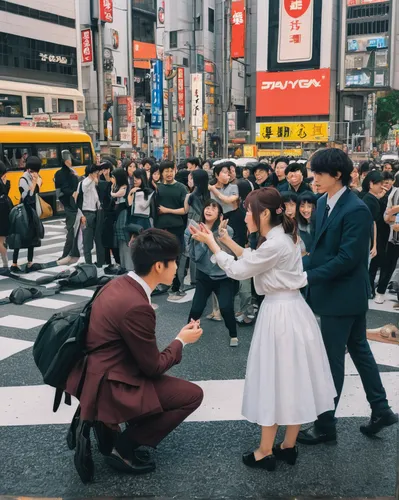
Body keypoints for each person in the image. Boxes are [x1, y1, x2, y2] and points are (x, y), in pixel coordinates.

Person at [189, 187, 336, 470]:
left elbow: (239, 270)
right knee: (294, 380)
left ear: (264, 213)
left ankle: (264, 451)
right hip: (295, 312)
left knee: (274, 380)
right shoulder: (284, 237)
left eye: (248, 210)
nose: (245, 216)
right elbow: (253, 257)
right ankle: (288, 446)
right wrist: (226, 241)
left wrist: (213, 244)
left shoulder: (275, 244)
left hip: (279, 315)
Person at [66, 228, 204, 474]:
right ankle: (124, 447)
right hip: (112, 383)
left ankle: (107, 424)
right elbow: (153, 367)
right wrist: (181, 340)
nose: (177, 267)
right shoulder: (138, 306)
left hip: (93, 373)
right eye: (174, 261)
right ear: (159, 266)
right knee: (192, 395)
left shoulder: (116, 283)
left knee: (164, 388)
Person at [297, 148, 397, 446]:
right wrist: (297, 267)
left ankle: (326, 425)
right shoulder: (321, 202)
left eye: (317, 173)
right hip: (338, 292)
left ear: (337, 175)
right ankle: (381, 409)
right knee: (359, 349)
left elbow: (347, 258)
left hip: (343, 295)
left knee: (331, 361)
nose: (312, 178)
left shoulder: (356, 209)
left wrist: (307, 276)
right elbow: (318, 250)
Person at [186, 200, 238, 346]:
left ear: (220, 215)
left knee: (226, 307)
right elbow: (195, 257)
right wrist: (199, 240)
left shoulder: (227, 230)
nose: (208, 210)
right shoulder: (194, 228)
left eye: (213, 208)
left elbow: (228, 253)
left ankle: (233, 334)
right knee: (196, 307)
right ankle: (188, 332)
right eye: (207, 207)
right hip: (204, 275)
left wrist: (216, 236)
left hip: (223, 277)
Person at [155, 161, 188, 299]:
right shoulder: (157, 187)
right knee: (161, 256)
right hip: (160, 228)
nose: (169, 173)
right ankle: (162, 282)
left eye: (171, 170)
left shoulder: (181, 188)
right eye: (166, 171)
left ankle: (176, 283)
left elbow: (185, 209)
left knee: (176, 257)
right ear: (161, 173)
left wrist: (167, 210)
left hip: (177, 228)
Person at [11, 156, 43, 272]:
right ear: (29, 169)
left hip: (32, 211)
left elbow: (37, 191)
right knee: (19, 236)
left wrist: (37, 181)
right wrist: (34, 182)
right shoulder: (23, 179)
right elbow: (27, 197)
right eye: (34, 171)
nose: (36, 173)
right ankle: (14, 263)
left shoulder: (36, 176)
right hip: (24, 212)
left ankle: (30, 262)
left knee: (32, 236)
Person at [55, 150, 80, 266]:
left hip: (68, 203)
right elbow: (66, 189)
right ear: (66, 161)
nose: (71, 161)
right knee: (72, 230)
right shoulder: (68, 173)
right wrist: (74, 192)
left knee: (73, 229)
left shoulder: (61, 173)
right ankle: (67, 254)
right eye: (70, 159)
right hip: (71, 203)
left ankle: (69, 253)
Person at [296, 192, 316, 256]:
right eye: (302, 206)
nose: (306, 210)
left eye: (309, 206)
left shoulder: (321, 223)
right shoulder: (296, 226)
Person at [0, 161, 12, 268]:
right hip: (4, 213)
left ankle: (5, 265)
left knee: (1, 241)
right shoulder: (6, 183)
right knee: (2, 240)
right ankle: (5, 264)